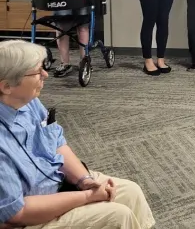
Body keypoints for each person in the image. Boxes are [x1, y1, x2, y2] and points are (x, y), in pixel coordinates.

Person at [0, 40, 155, 229]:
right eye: (36, 72)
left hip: (57, 183)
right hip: (30, 215)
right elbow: (17, 213)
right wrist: (86, 197)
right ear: (6, 86)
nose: (45, 75)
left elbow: (57, 144)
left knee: (131, 192)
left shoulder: (28, 100)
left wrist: (85, 181)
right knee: (117, 216)